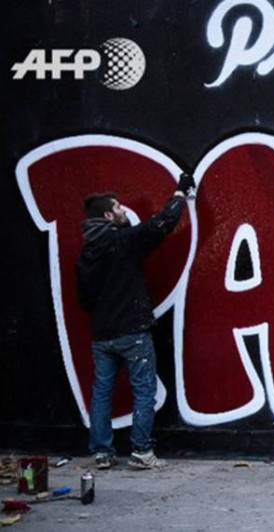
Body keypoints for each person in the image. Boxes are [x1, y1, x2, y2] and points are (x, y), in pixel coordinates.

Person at [76, 172, 194, 470]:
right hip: (132, 331)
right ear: (107, 214)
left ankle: (102, 451)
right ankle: (142, 451)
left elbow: (84, 299)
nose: (122, 211)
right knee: (144, 390)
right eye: (118, 208)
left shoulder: (86, 254)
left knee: (102, 391)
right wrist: (180, 194)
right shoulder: (122, 241)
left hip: (103, 334)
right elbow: (160, 226)